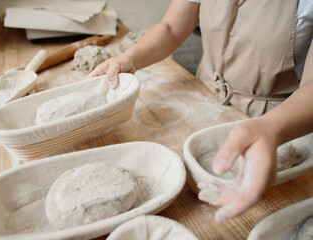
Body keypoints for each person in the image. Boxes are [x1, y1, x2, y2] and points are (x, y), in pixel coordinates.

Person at [88, 0, 313, 222]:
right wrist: (130, 57)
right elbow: (172, 28)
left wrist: (271, 128)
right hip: (202, 94)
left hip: (277, 119)